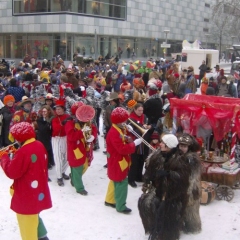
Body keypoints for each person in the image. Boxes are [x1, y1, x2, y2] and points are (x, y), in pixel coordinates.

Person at [0, 122, 52, 240]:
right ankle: (42, 236)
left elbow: (12, 172)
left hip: (26, 195)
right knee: (35, 216)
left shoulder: (24, 151)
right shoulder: (38, 144)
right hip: (37, 192)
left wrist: (4, 157)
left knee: (27, 223)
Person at [141, 134, 191, 240]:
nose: (160, 144)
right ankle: (155, 229)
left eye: (163, 143)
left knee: (166, 212)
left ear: (169, 145)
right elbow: (149, 171)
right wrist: (147, 180)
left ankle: (166, 234)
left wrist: (168, 173)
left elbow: (183, 178)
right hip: (158, 190)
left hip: (174, 194)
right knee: (147, 204)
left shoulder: (180, 158)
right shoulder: (157, 155)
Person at [104, 107, 142, 214]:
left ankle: (109, 200)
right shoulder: (114, 132)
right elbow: (122, 149)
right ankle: (120, 206)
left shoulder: (118, 128)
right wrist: (134, 144)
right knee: (121, 182)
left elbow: (122, 139)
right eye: (124, 120)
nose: (126, 122)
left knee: (114, 180)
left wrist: (128, 135)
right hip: (118, 161)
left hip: (117, 160)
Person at [65, 105, 97, 195]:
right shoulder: (69, 123)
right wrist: (82, 131)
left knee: (84, 166)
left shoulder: (87, 122)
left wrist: (93, 136)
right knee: (77, 167)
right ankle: (79, 188)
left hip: (86, 149)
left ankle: (74, 178)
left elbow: (93, 128)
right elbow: (71, 136)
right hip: (75, 150)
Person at [178, 133, 202, 233]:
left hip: (191, 187)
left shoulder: (193, 159)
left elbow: (193, 176)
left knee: (191, 208)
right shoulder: (178, 155)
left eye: (184, 146)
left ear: (189, 147)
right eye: (180, 145)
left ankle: (193, 227)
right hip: (181, 186)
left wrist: (189, 189)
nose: (182, 148)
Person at [51, 99, 70, 186]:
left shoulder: (67, 116)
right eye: (56, 109)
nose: (57, 111)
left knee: (68, 157)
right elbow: (56, 129)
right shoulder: (54, 119)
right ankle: (59, 177)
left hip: (65, 138)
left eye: (59, 109)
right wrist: (63, 123)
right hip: (57, 139)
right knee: (58, 158)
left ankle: (62, 171)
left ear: (63, 109)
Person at [128, 103, 147, 188]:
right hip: (134, 141)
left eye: (142, 110)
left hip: (141, 141)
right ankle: (131, 179)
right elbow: (130, 131)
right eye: (139, 110)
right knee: (134, 160)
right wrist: (142, 127)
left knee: (141, 159)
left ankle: (138, 176)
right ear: (134, 110)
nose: (141, 112)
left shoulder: (143, 117)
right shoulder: (130, 118)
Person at [37, 105, 55, 170]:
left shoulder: (53, 119)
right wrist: (48, 122)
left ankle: (50, 162)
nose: (44, 113)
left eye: (45, 111)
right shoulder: (39, 120)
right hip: (42, 138)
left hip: (50, 138)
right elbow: (42, 129)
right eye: (43, 111)